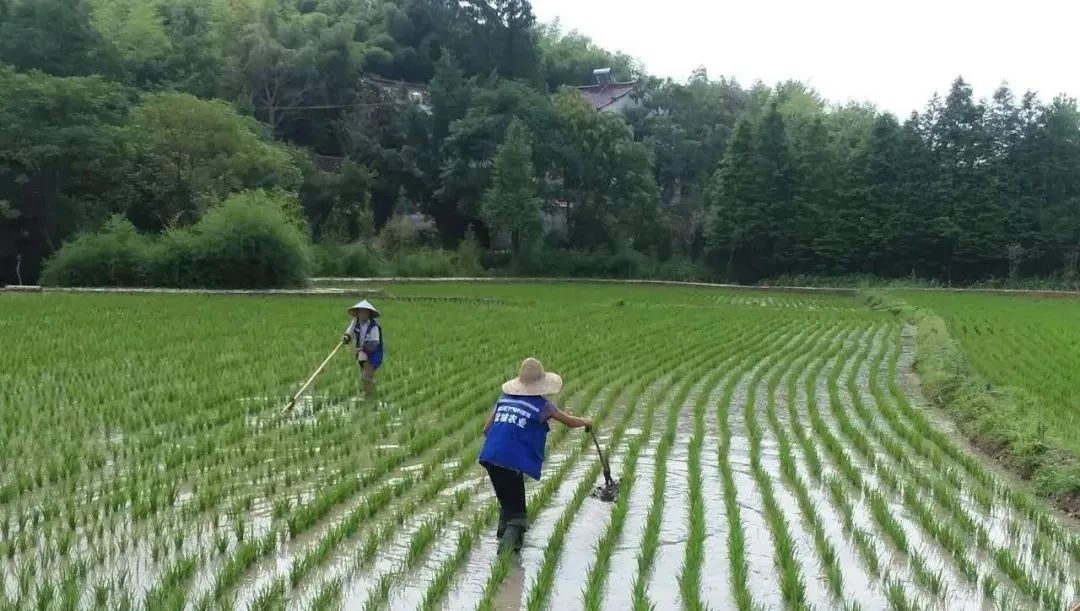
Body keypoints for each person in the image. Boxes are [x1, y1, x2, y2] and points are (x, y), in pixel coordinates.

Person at [478, 357, 593, 552]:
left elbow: (486, 429)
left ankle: (504, 547)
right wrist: (587, 422)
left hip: (489, 456)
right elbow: (570, 422)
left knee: (507, 505)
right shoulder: (543, 406)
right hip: (510, 461)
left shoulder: (504, 399)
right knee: (519, 516)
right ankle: (505, 559)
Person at [341, 300, 383, 396]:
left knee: (366, 377)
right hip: (362, 354)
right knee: (364, 377)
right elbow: (349, 332)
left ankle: (370, 395)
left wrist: (362, 348)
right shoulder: (355, 322)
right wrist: (346, 338)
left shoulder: (374, 327)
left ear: (369, 314)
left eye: (365, 312)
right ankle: (369, 394)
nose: (363, 314)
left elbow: (375, 343)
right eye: (361, 312)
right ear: (358, 313)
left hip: (373, 354)